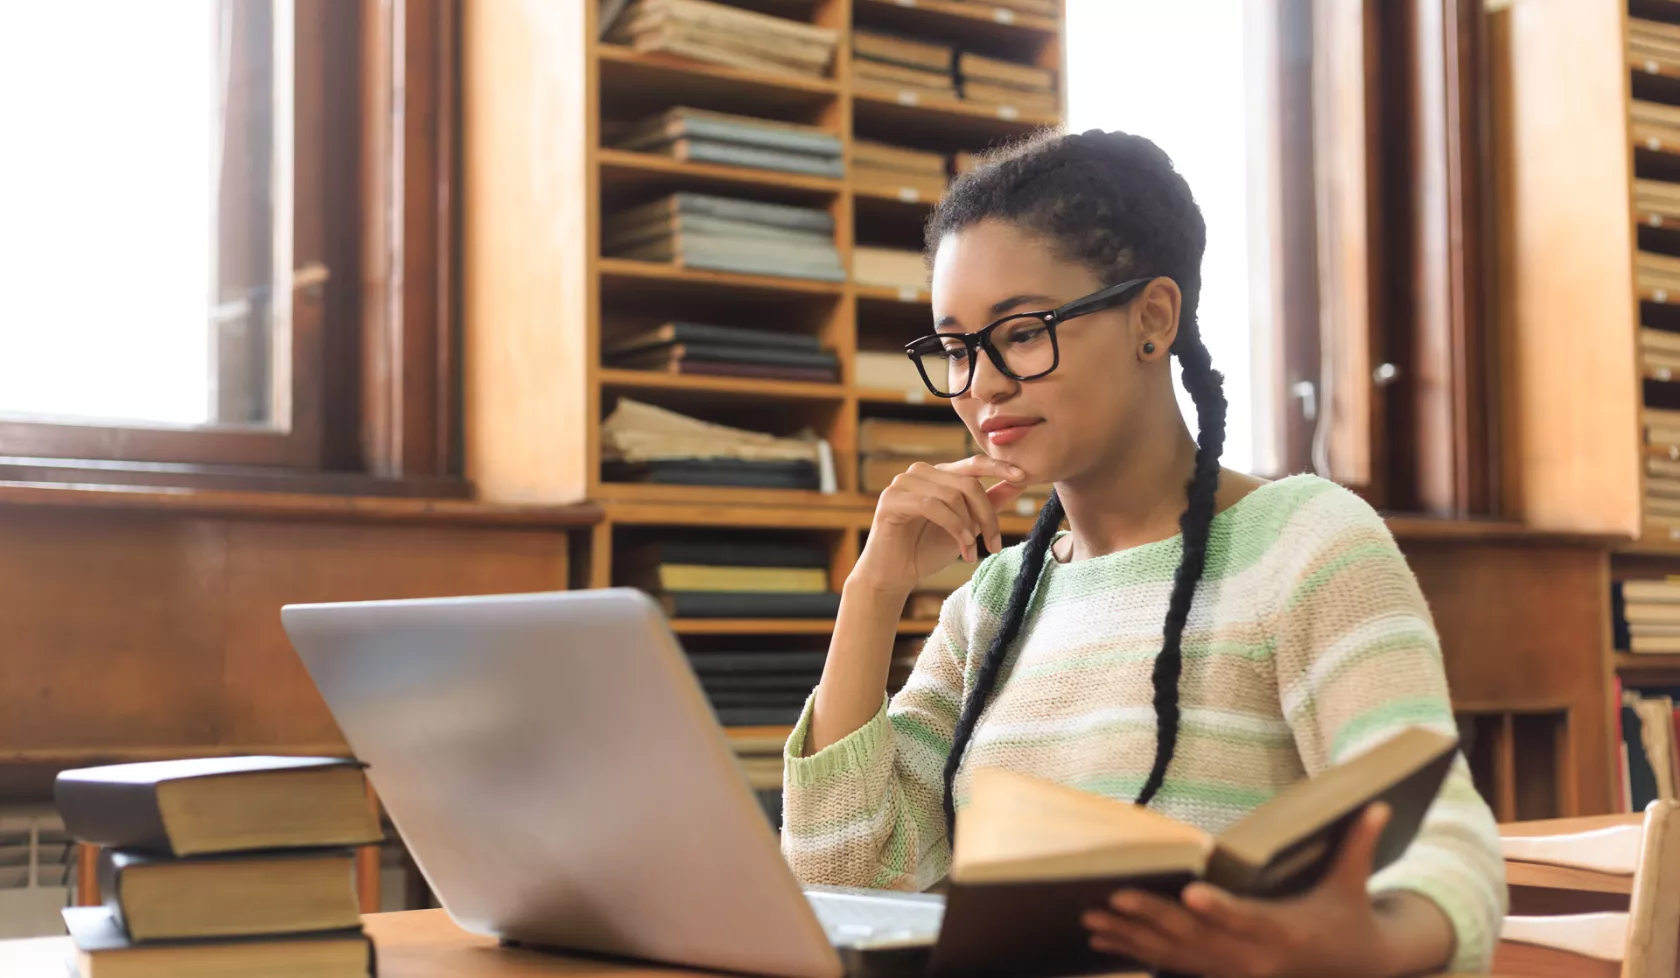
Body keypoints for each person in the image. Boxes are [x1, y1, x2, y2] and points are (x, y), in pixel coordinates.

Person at [777, 128, 1507, 977]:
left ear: (1152, 319)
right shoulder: (992, 604)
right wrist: (871, 594)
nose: (981, 385)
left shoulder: (1306, 543)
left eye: (1019, 332)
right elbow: (843, 883)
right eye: (954, 347)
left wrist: (1369, 945)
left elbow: (1448, 845)